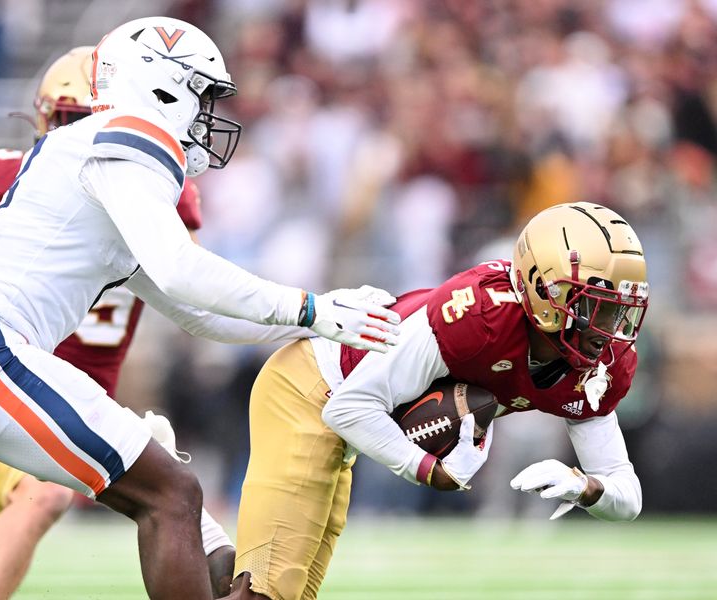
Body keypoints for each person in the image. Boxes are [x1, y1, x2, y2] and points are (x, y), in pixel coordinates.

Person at [0, 17, 401, 600]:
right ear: (163, 85)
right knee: (171, 493)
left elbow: (197, 311)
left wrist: (315, 324)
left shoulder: (94, 158)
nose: (207, 115)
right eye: (202, 95)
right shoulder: (132, 131)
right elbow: (181, 268)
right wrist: (310, 308)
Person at [0, 46, 237, 599]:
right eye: (67, 121)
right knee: (58, 496)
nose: (79, 134)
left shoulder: (153, 189)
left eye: (82, 119)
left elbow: (189, 286)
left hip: (70, 404)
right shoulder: (12, 177)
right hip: (0, 379)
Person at [227, 201, 649, 600]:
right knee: (267, 590)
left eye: (618, 309)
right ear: (543, 289)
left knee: (290, 590)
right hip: (312, 387)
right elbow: (348, 407)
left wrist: (585, 487)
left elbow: (626, 495)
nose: (609, 329)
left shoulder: (601, 367)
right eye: (595, 306)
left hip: (346, 417)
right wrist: (430, 471)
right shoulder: (479, 318)